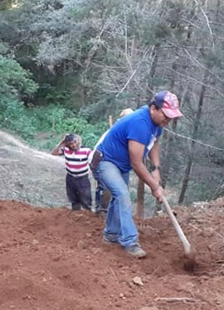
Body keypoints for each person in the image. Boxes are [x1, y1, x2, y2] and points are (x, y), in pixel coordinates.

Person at [91, 91, 183, 258]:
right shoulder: (140, 123)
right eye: (166, 115)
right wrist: (154, 186)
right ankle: (130, 242)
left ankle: (111, 235)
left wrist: (156, 168)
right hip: (105, 161)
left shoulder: (157, 123)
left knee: (118, 197)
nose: (168, 120)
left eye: (171, 117)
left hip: (121, 165)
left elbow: (154, 143)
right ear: (154, 108)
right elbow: (137, 163)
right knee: (123, 195)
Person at [51, 133, 93, 211]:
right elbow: (54, 152)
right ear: (67, 145)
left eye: (74, 142)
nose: (73, 145)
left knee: (86, 199)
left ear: (78, 141)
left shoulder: (86, 151)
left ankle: (88, 216)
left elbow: (92, 162)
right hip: (70, 178)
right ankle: (75, 216)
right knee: (73, 199)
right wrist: (61, 142)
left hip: (83, 178)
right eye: (70, 144)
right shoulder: (66, 150)